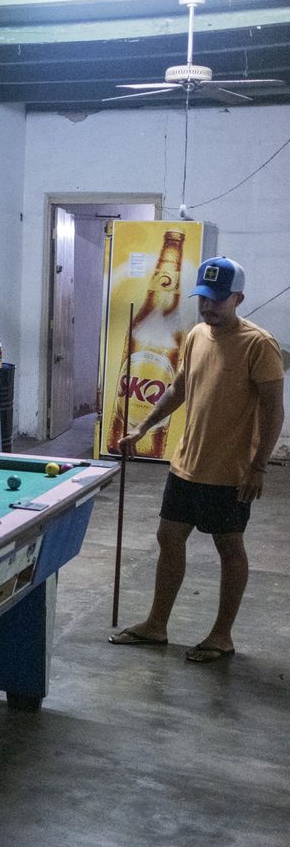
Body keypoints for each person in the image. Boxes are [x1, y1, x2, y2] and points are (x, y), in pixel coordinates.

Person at [109, 256, 284, 663]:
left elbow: (274, 411)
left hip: (230, 471)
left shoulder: (260, 344)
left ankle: (221, 635)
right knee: (169, 538)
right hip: (186, 463)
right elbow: (179, 388)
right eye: (203, 298)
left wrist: (258, 466)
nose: (209, 307)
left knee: (229, 547)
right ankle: (156, 625)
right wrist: (144, 427)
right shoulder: (197, 335)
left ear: (238, 297)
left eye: (218, 299)